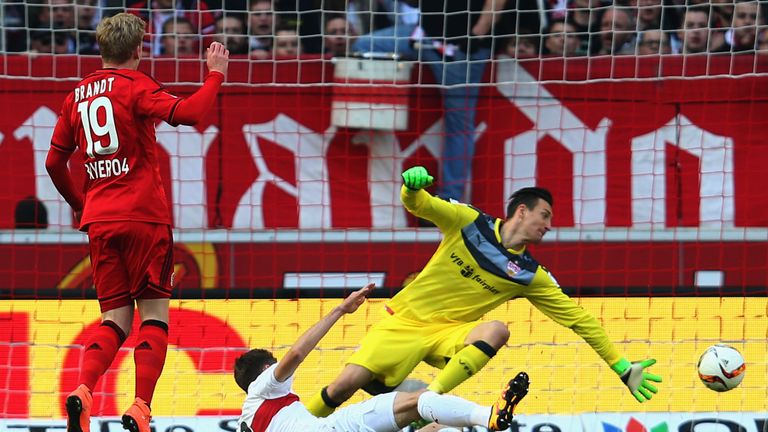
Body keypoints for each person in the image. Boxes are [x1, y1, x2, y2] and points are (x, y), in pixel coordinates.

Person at [306, 166, 662, 425]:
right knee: (341, 388)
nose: (549, 225)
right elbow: (421, 205)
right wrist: (411, 187)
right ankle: (291, 425)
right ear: (521, 211)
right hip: (404, 323)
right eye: (545, 215)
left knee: (495, 330)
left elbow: (579, 319)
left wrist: (621, 365)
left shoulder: (529, 275)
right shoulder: (467, 221)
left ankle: (433, 398)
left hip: (448, 335)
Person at [45, 12, 229, 432]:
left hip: (100, 221)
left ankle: (84, 390)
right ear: (139, 50)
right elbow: (190, 113)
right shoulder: (136, 86)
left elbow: (54, 161)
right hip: (144, 216)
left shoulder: (77, 95)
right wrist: (215, 75)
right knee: (154, 316)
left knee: (114, 320)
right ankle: (140, 406)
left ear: (102, 48)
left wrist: (80, 203)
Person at [235, 283, 530, 432]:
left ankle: (481, 418)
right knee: (418, 400)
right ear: (265, 369)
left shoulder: (245, 423)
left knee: (430, 424)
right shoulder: (263, 388)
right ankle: (487, 416)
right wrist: (340, 310)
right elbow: (297, 353)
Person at [351, 0, 503, 203]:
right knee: (365, 44)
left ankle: (449, 200)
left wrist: (477, 34)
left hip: (462, 49)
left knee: (459, 123)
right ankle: (374, 120)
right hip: (425, 37)